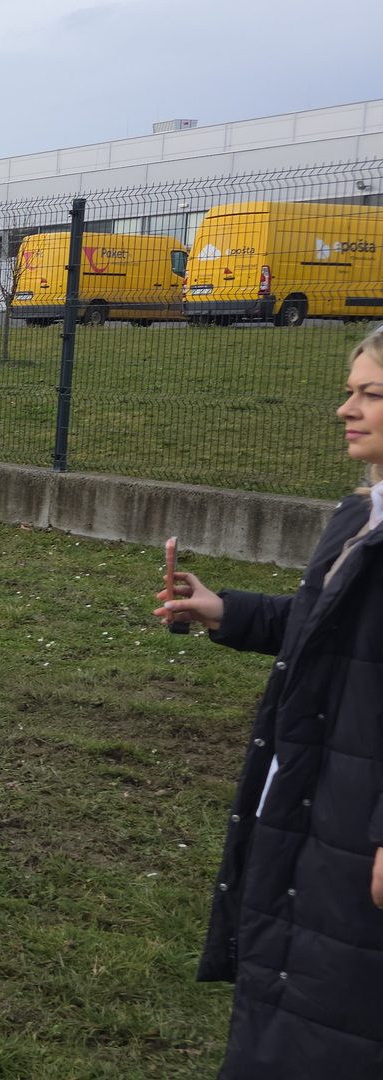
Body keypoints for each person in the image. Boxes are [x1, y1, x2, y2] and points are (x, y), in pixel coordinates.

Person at [156, 325, 383, 1075]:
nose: (345, 410)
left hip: (357, 820)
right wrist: (227, 611)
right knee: (293, 997)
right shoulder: (362, 515)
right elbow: (328, 632)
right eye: (350, 390)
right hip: (314, 801)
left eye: (370, 394)